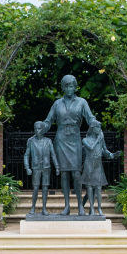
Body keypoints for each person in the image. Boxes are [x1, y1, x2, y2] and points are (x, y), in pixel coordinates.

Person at [41, 75, 98, 215]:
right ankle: (66, 206)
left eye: (71, 86)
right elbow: (48, 121)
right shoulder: (57, 103)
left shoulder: (82, 102)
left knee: (76, 173)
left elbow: (90, 118)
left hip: (75, 138)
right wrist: (41, 127)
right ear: (62, 87)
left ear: (75, 87)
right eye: (66, 86)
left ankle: (80, 205)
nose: (69, 88)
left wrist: (96, 125)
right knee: (64, 174)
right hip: (61, 139)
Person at [80, 121, 121, 216]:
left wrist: (113, 155)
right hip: (89, 165)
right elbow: (90, 148)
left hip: (98, 165)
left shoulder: (100, 139)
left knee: (98, 188)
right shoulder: (85, 140)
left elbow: (105, 150)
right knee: (89, 187)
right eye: (98, 128)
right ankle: (91, 208)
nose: (99, 130)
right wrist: (98, 140)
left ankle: (99, 208)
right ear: (93, 129)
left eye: (100, 128)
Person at [24, 120, 60, 215]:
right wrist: (27, 167)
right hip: (36, 167)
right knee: (35, 188)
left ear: (43, 130)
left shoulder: (48, 141)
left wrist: (57, 166)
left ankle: (44, 208)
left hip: (46, 167)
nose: (37, 130)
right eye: (35, 128)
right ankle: (33, 207)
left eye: (39, 128)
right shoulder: (31, 141)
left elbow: (53, 155)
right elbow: (26, 155)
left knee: (45, 188)